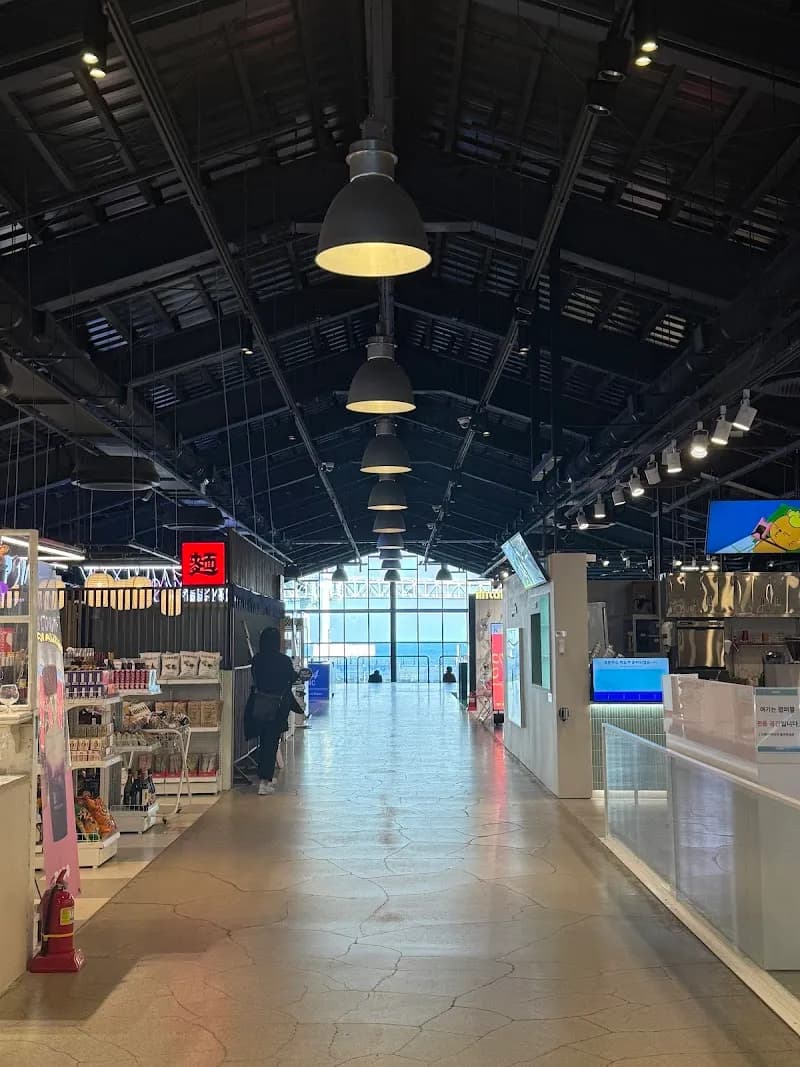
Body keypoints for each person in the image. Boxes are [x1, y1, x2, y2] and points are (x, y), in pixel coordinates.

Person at [249, 627, 296, 795]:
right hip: (277, 706)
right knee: (271, 742)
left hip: (261, 704)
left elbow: (255, 678)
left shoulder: (257, 659)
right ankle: (265, 782)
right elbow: (291, 678)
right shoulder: (283, 660)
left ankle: (263, 776)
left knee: (263, 742)